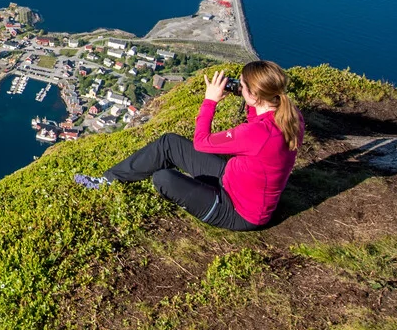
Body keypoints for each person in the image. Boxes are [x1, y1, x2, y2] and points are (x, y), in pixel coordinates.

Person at [101, 60, 305, 230]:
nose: (238, 87)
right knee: (169, 142)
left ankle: (118, 183)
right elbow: (257, 124)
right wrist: (248, 99)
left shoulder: (257, 134)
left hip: (237, 212)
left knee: (163, 178)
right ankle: (109, 180)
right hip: (233, 181)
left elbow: (201, 143)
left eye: (241, 85)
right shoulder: (290, 115)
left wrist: (210, 101)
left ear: (254, 95)